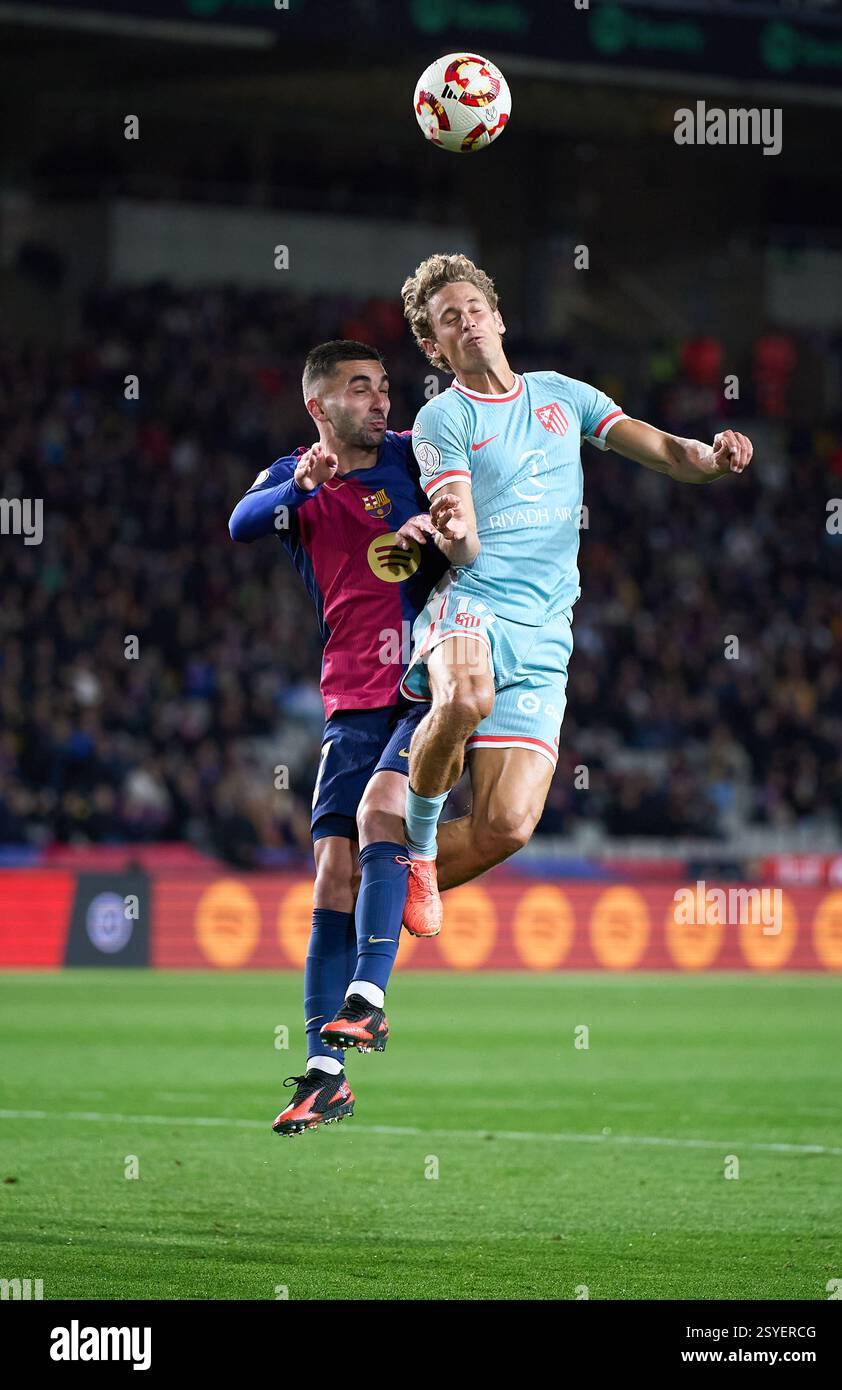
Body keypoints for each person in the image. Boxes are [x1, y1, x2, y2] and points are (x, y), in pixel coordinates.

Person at [395, 253, 754, 936]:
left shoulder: (563, 394)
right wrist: (456, 534)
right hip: (474, 603)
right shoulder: (444, 418)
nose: (466, 322)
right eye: (448, 319)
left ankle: (356, 893)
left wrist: (712, 458)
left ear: (497, 317)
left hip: (545, 634)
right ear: (432, 346)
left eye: (474, 308)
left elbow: (668, 451)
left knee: (506, 827)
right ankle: (414, 850)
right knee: (467, 698)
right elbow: (464, 545)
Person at [229, 340, 451, 1135]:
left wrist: (439, 520)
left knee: (380, 815)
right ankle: (326, 1075)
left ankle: (370, 999)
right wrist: (300, 481)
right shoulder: (295, 482)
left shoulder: (416, 455)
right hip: (351, 701)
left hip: (430, 683)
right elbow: (240, 523)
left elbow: (470, 509)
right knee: (330, 875)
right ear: (319, 406)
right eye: (360, 389)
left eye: (385, 385)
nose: (381, 399)